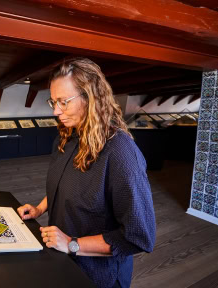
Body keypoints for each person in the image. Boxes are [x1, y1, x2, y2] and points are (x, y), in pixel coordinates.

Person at [17, 58, 156, 288]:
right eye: (53, 101)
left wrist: (72, 244)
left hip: (98, 275)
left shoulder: (120, 151)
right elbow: (66, 185)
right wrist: (41, 208)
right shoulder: (67, 136)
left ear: (89, 98)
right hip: (63, 261)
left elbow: (138, 236)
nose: (55, 110)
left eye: (63, 102)